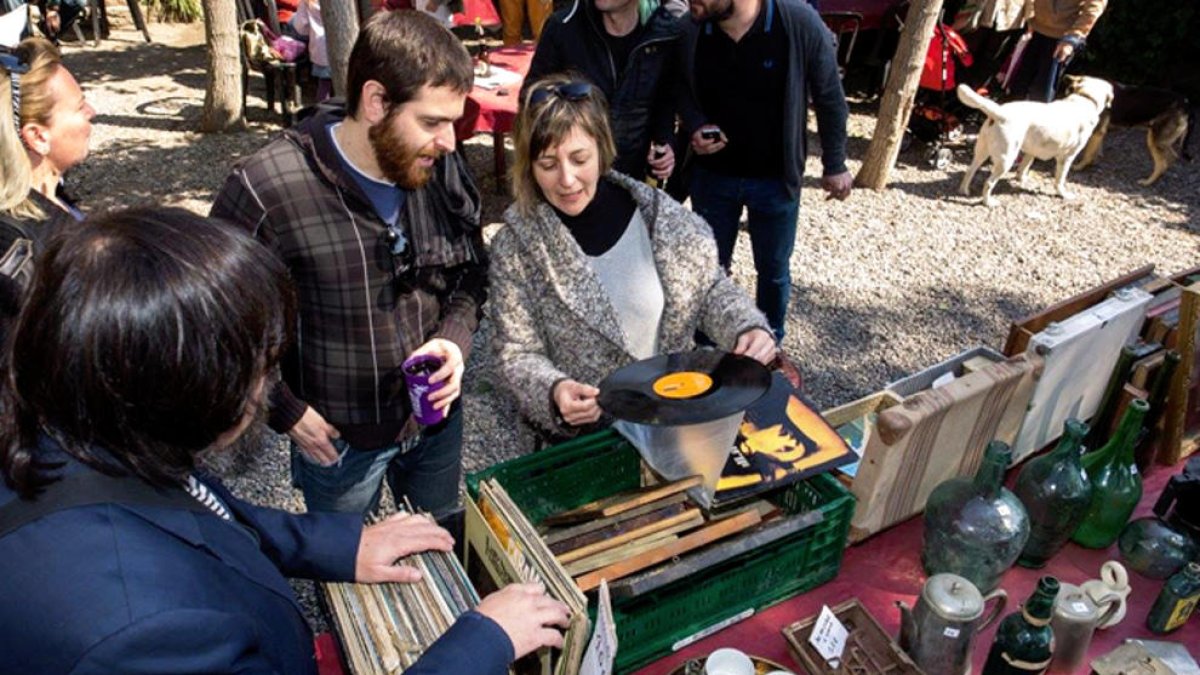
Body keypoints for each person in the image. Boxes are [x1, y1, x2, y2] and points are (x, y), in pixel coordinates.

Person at [0, 207, 569, 674]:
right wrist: (483, 642)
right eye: (260, 366)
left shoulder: (86, 422)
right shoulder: (144, 635)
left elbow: (200, 513)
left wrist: (339, 545)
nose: (268, 386)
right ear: (185, 388)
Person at [211, 11, 487, 529]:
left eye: (453, 121)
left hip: (435, 428)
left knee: (437, 545)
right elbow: (219, 325)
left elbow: (472, 270)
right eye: (431, 122)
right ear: (376, 101)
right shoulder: (266, 188)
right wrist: (285, 410)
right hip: (336, 442)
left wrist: (453, 340)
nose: (449, 142)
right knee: (345, 576)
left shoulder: (439, 162)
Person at [489, 74, 776, 445]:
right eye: (547, 164)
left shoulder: (663, 219)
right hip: (583, 445)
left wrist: (746, 328)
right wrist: (554, 391)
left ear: (602, 147)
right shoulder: (515, 247)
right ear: (527, 165)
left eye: (580, 159)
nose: (567, 179)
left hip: (677, 426)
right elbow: (516, 353)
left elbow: (709, 291)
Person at [679, 0, 852, 342]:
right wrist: (695, 125)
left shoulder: (798, 22)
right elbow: (679, 88)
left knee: (773, 271)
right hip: (712, 178)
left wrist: (835, 164)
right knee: (709, 269)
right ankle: (707, 349)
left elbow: (830, 96)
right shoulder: (693, 28)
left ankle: (770, 345)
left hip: (775, 180)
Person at [524, 0, 683, 184]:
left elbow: (664, 99)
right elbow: (531, 98)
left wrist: (666, 142)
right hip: (573, 180)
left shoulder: (663, 32)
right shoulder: (563, 27)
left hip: (631, 176)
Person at [0, 37, 91, 331]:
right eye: (79, 107)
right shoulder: (34, 251)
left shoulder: (47, 197)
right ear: (38, 137)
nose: (92, 112)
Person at [1005, 0, 1106, 102]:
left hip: (1061, 40)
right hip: (1037, 30)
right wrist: (1030, 18)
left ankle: (1037, 117)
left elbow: (1092, 11)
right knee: (1018, 86)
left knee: (1042, 92)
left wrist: (1071, 40)